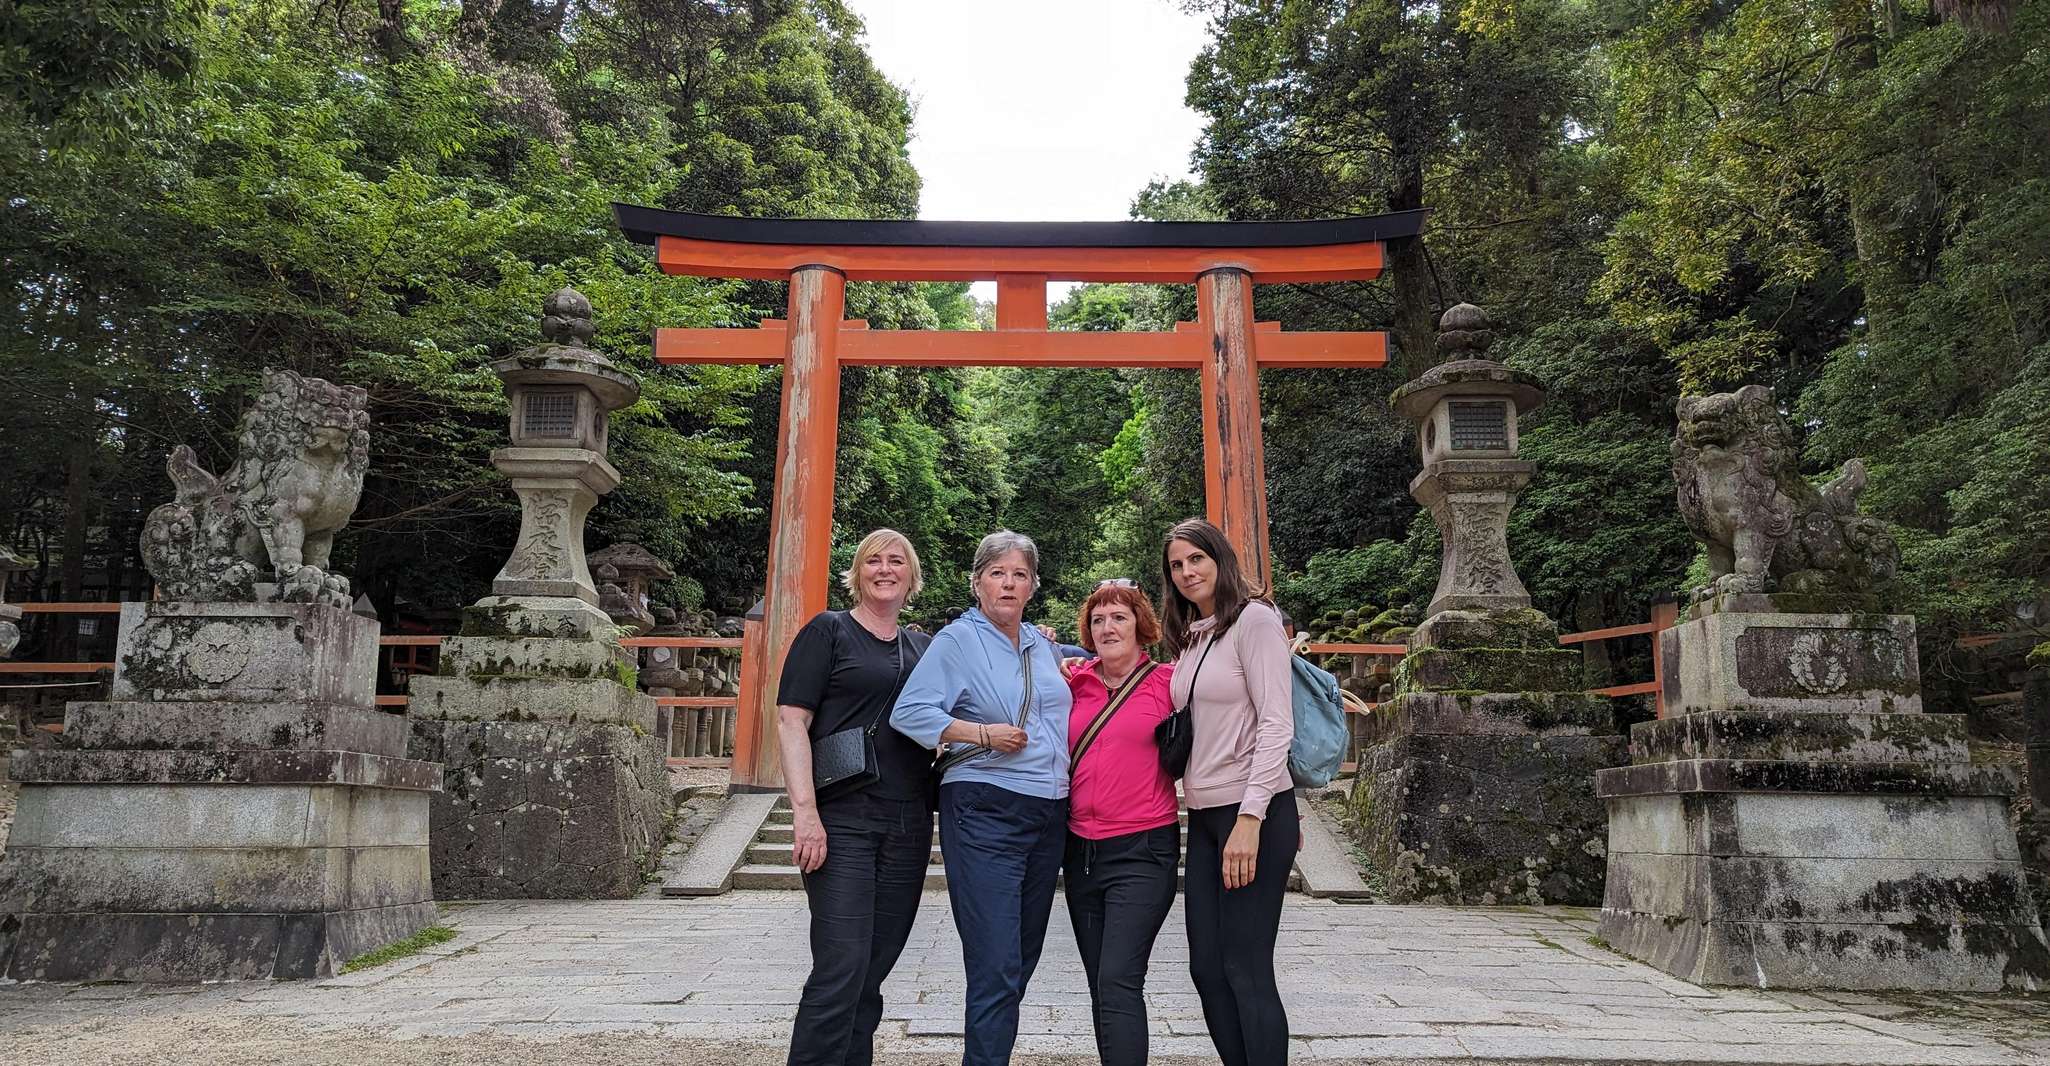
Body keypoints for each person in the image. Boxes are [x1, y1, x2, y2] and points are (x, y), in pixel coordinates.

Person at [889, 530, 1072, 1066]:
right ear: (977, 583)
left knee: (1021, 956)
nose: (1008, 583)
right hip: (984, 804)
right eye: (997, 573)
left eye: (1019, 574)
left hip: (1049, 808)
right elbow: (911, 712)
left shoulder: (1044, 645)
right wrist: (982, 733)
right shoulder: (957, 640)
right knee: (996, 962)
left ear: (1033, 586)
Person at [776, 529, 935, 1066]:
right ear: (857, 572)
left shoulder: (925, 648)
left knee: (873, 968)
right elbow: (792, 720)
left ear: (912, 576)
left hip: (908, 820)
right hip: (842, 817)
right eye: (874, 561)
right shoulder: (829, 631)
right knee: (841, 964)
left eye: (896, 561)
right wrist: (805, 814)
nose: (885, 569)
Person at [1159, 518, 1297, 1066]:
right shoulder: (1193, 637)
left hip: (1248, 815)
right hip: (1206, 815)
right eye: (1176, 564)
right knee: (1207, 968)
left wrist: (1253, 816)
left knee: (1245, 965)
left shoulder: (1255, 622)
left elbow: (1275, 724)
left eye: (1196, 558)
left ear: (1219, 559)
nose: (1187, 571)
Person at [1062, 579, 1179, 1066]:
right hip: (1081, 851)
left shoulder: (1169, 681)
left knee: (1118, 977)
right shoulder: (1073, 682)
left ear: (1141, 627)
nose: (1107, 627)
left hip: (1143, 847)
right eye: (1098, 620)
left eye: (1119, 618)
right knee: (1101, 982)